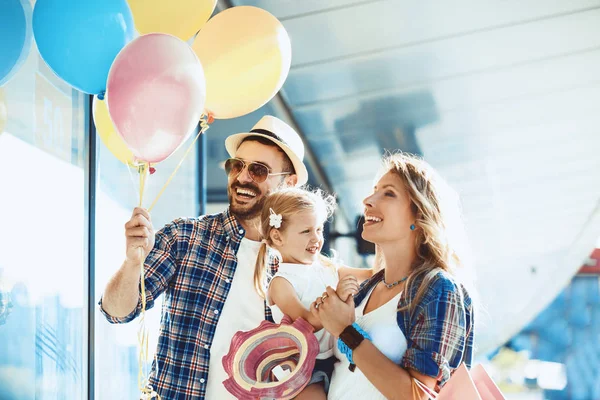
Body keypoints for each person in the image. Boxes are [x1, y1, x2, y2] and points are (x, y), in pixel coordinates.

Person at [98, 115, 310, 399]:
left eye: (258, 170)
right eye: (237, 166)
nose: (243, 177)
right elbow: (116, 311)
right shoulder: (184, 237)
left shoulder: (297, 263)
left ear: (290, 182)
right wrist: (132, 262)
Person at [312, 153, 475, 399]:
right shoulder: (366, 289)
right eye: (374, 191)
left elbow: (418, 396)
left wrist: (346, 331)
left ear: (419, 216)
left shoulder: (437, 288)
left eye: (388, 193)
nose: (367, 200)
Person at [253, 187, 372, 399]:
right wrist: (339, 296)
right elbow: (307, 323)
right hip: (302, 366)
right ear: (278, 237)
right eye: (306, 231)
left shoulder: (327, 267)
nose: (316, 237)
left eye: (319, 229)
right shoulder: (281, 283)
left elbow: (371, 274)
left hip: (335, 357)